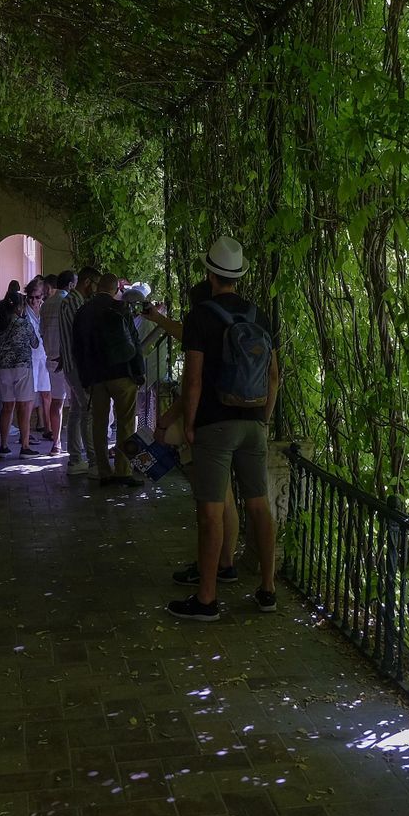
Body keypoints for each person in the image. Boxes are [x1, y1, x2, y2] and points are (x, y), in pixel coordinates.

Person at [168, 237, 280, 621]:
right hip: (254, 425)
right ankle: (267, 589)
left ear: (210, 274)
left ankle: (207, 599)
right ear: (237, 276)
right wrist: (263, 419)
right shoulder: (259, 315)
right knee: (258, 506)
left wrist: (192, 424)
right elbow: (274, 377)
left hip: (216, 425)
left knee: (211, 513)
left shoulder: (200, 315)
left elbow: (194, 380)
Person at [142, 281, 242, 586]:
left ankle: (213, 567)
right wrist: (158, 320)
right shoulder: (227, 330)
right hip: (235, 420)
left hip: (205, 427)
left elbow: (190, 391)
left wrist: (165, 423)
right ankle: (226, 561)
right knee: (227, 498)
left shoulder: (202, 332)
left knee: (211, 502)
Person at [72, 271, 144, 485]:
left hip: (96, 377)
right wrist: (138, 372)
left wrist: (85, 379)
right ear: (116, 289)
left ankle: (103, 471)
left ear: (97, 286)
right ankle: (124, 471)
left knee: (99, 424)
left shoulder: (83, 312)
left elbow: (78, 348)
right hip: (123, 375)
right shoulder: (120, 308)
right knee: (126, 423)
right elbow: (135, 343)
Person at [57, 267, 99, 474]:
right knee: (87, 411)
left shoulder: (68, 301)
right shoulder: (74, 303)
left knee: (76, 411)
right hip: (77, 365)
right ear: (88, 282)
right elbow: (81, 336)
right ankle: (92, 462)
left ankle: (75, 459)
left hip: (70, 363)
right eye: (95, 284)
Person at [0, 293, 40, 457]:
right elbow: (35, 343)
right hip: (23, 368)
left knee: (6, 407)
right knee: (24, 407)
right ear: (19, 307)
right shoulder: (23, 324)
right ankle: (24, 446)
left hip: (3, 369)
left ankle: (3, 446)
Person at [40, 270, 78, 458]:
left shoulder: (46, 305)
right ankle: (75, 445)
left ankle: (56, 443)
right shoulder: (70, 303)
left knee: (57, 402)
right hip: (70, 360)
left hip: (51, 359)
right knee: (76, 403)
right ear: (70, 285)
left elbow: (41, 332)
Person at [24, 277, 51, 438]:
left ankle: (48, 428)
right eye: (31, 297)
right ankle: (25, 433)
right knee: (28, 397)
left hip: (44, 355)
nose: (34, 300)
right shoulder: (23, 311)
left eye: (38, 297)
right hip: (30, 356)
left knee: (46, 393)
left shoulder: (45, 309)